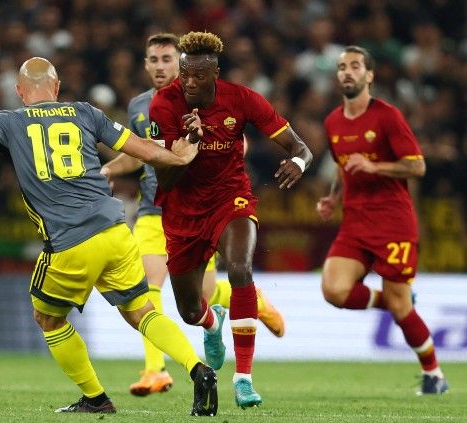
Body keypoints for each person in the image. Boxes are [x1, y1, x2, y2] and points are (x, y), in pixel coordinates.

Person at [0, 57, 221, 416]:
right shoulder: (86, 113)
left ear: (20, 92)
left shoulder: (9, 121)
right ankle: (198, 369)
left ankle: (96, 399)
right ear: (57, 87)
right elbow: (140, 148)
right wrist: (178, 158)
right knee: (141, 310)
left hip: (71, 239)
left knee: (47, 318)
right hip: (115, 230)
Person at [101, 33, 286, 397]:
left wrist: (204, 144)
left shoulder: (216, 99)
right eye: (152, 60)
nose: (160, 67)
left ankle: (249, 303)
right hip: (156, 207)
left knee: (207, 291)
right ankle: (155, 369)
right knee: (150, 287)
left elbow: (238, 138)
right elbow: (142, 152)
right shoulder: (142, 106)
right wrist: (109, 170)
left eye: (166, 59)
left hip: (212, 204)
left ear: (181, 62)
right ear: (145, 64)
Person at [148, 32, 313, 409]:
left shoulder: (241, 98)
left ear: (215, 74)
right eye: (184, 74)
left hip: (230, 199)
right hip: (183, 212)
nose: (188, 82)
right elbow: (166, 179)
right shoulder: (164, 105)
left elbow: (300, 146)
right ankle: (213, 322)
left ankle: (243, 378)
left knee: (240, 269)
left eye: (197, 76)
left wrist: (299, 162)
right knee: (190, 311)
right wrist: (186, 146)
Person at [316, 45, 448, 395]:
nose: (347, 71)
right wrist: (333, 198)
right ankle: (388, 299)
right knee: (333, 290)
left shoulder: (388, 116)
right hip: (355, 223)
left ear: (369, 75)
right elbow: (342, 167)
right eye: (342, 67)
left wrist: (376, 167)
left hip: (393, 223)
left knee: (401, 306)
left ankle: (434, 373)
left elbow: (417, 166)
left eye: (355, 66)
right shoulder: (332, 121)